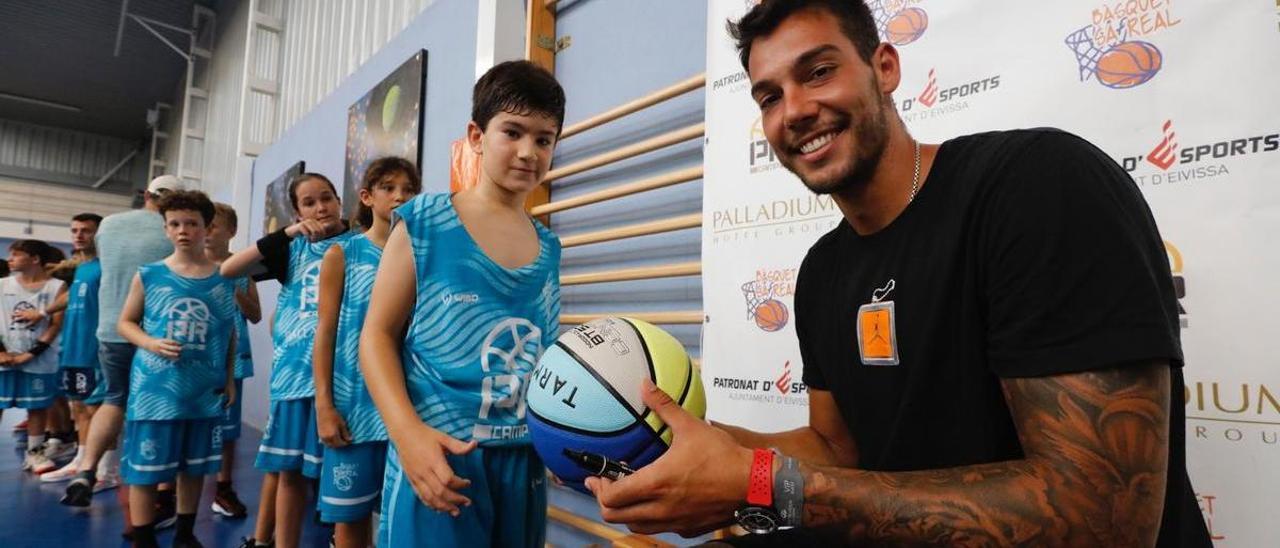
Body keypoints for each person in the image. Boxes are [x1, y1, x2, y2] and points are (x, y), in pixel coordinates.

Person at [583, 2, 1214, 547]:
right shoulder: (824, 271)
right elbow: (838, 452)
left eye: (819, 71)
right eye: (769, 96)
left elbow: (1102, 520)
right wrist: (683, 448)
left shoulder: (1035, 185)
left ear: (885, 67)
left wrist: (758, 484)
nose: (795, 110)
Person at [360, 60, 564, 548]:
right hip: (442, 454)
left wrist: (562, 435)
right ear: (476, 135)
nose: (527, 152)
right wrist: (407, 435)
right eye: (511, 132)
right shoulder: (426, 221)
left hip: (523, 460)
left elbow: (545, 353)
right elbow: (376, 336)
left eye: (543, 139)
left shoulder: (549, 247)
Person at [221, 173, 352, 548]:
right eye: (309, 203)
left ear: (339, 200)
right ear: (297, 211)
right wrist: (288, 233)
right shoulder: (289, 249)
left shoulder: (359, 242)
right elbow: (229, 271)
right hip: (295, 375)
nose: (320, 207)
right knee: (289, 471)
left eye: (326, 198)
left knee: (341, 470)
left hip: (345, 374)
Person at [117, 189, 239, 548]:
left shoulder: (224, 277)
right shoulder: (150, 274)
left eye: (192, 223)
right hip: (155, 389)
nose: (183, 230)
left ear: (207, 228)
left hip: (204, 390)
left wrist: (229, 379)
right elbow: (126, 323)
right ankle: (143, 537)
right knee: (144, 468)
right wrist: (151, 343)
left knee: (195, 466)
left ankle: (185, 533)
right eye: (175, 223)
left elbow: (228, 332)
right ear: (166, 229)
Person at [63, 176, 180, 539]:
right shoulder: (169, 231)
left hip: (111, 329)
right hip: (154, 332)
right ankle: (160, 493)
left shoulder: (110, 226)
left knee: (113, 400)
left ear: (145, 195)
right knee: (165, 409)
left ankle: (87, 469)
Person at [313, 156, 421, 547]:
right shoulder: (342, 255)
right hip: (354, 406)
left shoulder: (420, 256)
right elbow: (324, 333)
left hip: (407, 406)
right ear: (366, 196)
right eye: (389, 188)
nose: (399, 197)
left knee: (404, 516)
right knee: (351, 518)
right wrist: (324, 405)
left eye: (408, 190)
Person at [39, 213, 119, 487]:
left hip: (95, 349)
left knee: (99, 410)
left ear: (100, 234)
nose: (78, 235)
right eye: (74, 230)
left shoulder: (108, 267)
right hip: (72, 347)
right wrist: (42, 312)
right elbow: (72, 296)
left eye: (86, 230)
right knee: (80, 408)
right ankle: (82, 461)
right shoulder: (82, 268)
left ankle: (106, 471)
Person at [205, 202, 262, 519]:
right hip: (198, 362)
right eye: (206, 224)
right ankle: (169, 491)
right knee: (189, 425)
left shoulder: (241, 268)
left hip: (233, 362)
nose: (209, 231)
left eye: (216, 225)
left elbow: (255, 315)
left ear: (232, 231)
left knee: (227, 431)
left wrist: (230, 282)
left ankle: (223, 488)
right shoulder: (191, 266)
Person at [0, 239, 66, 474]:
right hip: (4, 358)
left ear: (35, 259)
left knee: (37, 409)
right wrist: (2, 352)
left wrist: (31, 354)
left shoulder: (56, 287)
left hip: (39, 359)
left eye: (16, 254)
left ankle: (35, 454)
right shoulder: (2, 284)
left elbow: (56, 325)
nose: (10, 259)